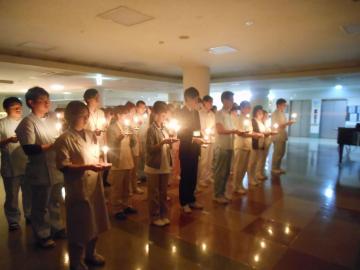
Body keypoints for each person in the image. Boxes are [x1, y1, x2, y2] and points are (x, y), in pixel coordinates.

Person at [55, 101, 110, 270]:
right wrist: (88, 167)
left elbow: (95, 154)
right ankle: (76, 261)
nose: (86, 118)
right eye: (83, 115)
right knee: (80, 224)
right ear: (71, 117)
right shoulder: (64, 139)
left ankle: (91, 253)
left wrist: (100, 162)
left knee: (96, 221)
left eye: (87, 115)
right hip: (77, 186)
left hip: (94, 184)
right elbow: (64, 166)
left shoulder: (91, 134)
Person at [15, 86, 65, 248]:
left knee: (55, 201)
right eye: (43, 101)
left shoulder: (52, 117)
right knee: (40, 205)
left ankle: (57, 228)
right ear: (31, 103)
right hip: (39, 169)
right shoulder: (27, 122)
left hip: (55, 167)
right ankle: (42, 234)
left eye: (48, 100)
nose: (47, 104)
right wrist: (52, 145)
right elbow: (29, 148)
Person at [0, 97, 31, 231]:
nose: (18, 109)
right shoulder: (2, 123)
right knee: (12, 195)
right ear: (6, 109)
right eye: (14, 107)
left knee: (29, 193)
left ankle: (29, 214)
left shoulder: (25, 122)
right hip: (10, 165)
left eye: (19, 106)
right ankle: (13, 220)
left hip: (27, 163)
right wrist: (8, 140)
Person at [145, 101, 175, 226]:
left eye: (165, 116)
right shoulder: (151, 130)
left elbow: (168, 146)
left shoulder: (164, 128)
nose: (164, 118)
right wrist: (162, 143)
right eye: (163, 116)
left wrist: (171, 141)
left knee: (163, 193)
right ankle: (154, 216)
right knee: (154, 193)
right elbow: (150, 149)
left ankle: (163, 214)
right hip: (154, 165)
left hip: (164, 164)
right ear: (156, 114)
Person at [107, 106, 138, 221]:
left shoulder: (127, 126)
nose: (127, 116)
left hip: (127, 158)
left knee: (127, 185)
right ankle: (116, 209)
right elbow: (111, 145)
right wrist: (118, 139)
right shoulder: (112, 128)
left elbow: (133, 143)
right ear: (119, 115)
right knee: (117, 187)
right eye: (125, 114)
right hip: (118, 161)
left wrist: (134, 133)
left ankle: (127, 205)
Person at [176, 87, 204, 213]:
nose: (197, 102)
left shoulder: (195, 112)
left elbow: (197, 129)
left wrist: (200, 137)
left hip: (195, 148)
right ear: (188, 98)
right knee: (185, 176)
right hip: (186, 149)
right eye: (196, 99)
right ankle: (184, 202)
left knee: (193, 175)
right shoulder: (180, 113)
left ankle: (191, 199)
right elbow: (180, 133)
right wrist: (194, 138)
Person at [213, 91, 240, 204]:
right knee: (220, 171)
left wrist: (237, 131)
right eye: (231, 100)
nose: (233, 102)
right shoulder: (219, 114)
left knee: (227, 172)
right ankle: (217, 194)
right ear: (224, 100)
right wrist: (234, 131)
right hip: (222, 146)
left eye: (233, 100)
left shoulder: (229, 114)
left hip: (230, 146)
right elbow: (220, 130)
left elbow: (231, 129)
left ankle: (222, 193)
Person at [233, 101, 258, 194]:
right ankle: (236, 185)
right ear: (242, 108)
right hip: (241, 145)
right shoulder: (238, 118)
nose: (249, 109)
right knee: (239, 167)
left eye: (249, 107)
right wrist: (251, 135)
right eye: (247, 107)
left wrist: (254, 134)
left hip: (247, 145)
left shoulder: (248, 118)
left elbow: (249, 131)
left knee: (244, 167)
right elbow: (239, 132)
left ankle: (240, 184)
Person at [271, 98, 295, 174]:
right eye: (283, 105)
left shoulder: (282, 113)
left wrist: (287, 123)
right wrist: (287, 123)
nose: (285, 107)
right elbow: (276, 125)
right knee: (277, 153)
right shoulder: (275, 113)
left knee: (282, 152)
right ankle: (274, 168)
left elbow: (283, 124)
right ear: (278, 105)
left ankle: (278, 167)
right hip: (277, 135)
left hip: (282, 135)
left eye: (285, 105)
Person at [125, 101, 144, 195]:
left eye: (133, 111)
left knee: (135, 168)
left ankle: (135, 186)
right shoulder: (125, 122)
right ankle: (129, 188)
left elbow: (137, 134)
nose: (133, 113)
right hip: (128, 147)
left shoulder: (134, 121)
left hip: (135, 145)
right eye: (131, 111)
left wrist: (139, 146)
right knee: (130, 169)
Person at [197, 95, 215, 189]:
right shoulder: (200, 113)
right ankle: (201, 179)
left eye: (211, 102)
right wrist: (205, 134)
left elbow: (214, 126)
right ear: (204, 102)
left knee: (210, 159)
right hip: (204, 140)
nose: (211, 104)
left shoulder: (212, 114)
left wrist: (212, 131)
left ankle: (208, 176)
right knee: (203, 160)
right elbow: (200, 127)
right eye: (209, 102)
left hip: (212, 139)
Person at [248, 106, 266, 186]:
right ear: (255, 113)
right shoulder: (253, 121)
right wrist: (260, 134)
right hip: (254, 143)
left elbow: (264, 131)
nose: (260, 114)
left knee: (256, 162)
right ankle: (250, 178)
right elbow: (253, 132)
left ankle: (254, 177)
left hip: (261, 143)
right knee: (252, 162)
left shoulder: (261, 121)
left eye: (261, 112)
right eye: (258, 112)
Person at [257, 110, 275, 180]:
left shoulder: (266, 123)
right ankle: (258, 173)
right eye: (266, 115)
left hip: (267, 142)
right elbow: (262, 133)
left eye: (267, 115)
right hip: (263, 143)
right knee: (260, 159)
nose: (267, 117)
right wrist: (268, 133)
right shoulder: (260, 123)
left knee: (264, 158)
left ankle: (261, 172)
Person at [135, 100, 149, 182]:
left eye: (144, 108)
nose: (143, 109)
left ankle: (145, 175)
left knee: (145, 158)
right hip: (138, 140)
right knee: (139, 159)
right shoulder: (134, 117)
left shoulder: (146, 117)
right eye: (141, 107)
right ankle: (139, 176)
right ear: (137, 108)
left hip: (145, 140)